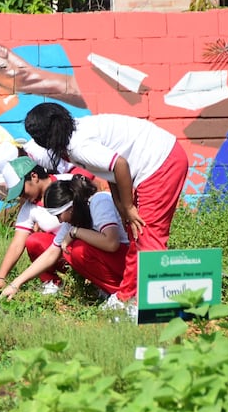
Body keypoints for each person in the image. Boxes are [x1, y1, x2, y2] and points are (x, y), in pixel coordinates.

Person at [24, 103, 189, 312]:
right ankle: (128, 295)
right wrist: (121, 206)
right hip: (153, 163)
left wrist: (128, 206)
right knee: (136, 234)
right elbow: (109, 170)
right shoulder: (74, 136)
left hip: (159, 163)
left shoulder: (78, 146)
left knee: (147, 236)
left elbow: (119, 164)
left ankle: (145, 305)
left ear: (44, 140)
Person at [0, 174, 130, 301]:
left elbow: (112, 243)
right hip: (119, 260)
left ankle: (124, 294)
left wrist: (76, 232)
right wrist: (16, 284)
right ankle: (111, 291)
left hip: (132, 259)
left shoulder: (99, 202)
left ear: (70, 209)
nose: (60, 221)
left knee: (78, 250)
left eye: (58, 216)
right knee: (70, 251)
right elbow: (51, 253)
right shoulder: (73, 218)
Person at [0, 157, 71, 297]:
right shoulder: (30, 207)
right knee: (33, 241)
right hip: (59, 251)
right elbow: (17, 244)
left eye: (22, 191)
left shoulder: (67, 183)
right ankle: (52, 283)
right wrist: (0, 278)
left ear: (34, 177)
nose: (22, 197)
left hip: (84, 245)